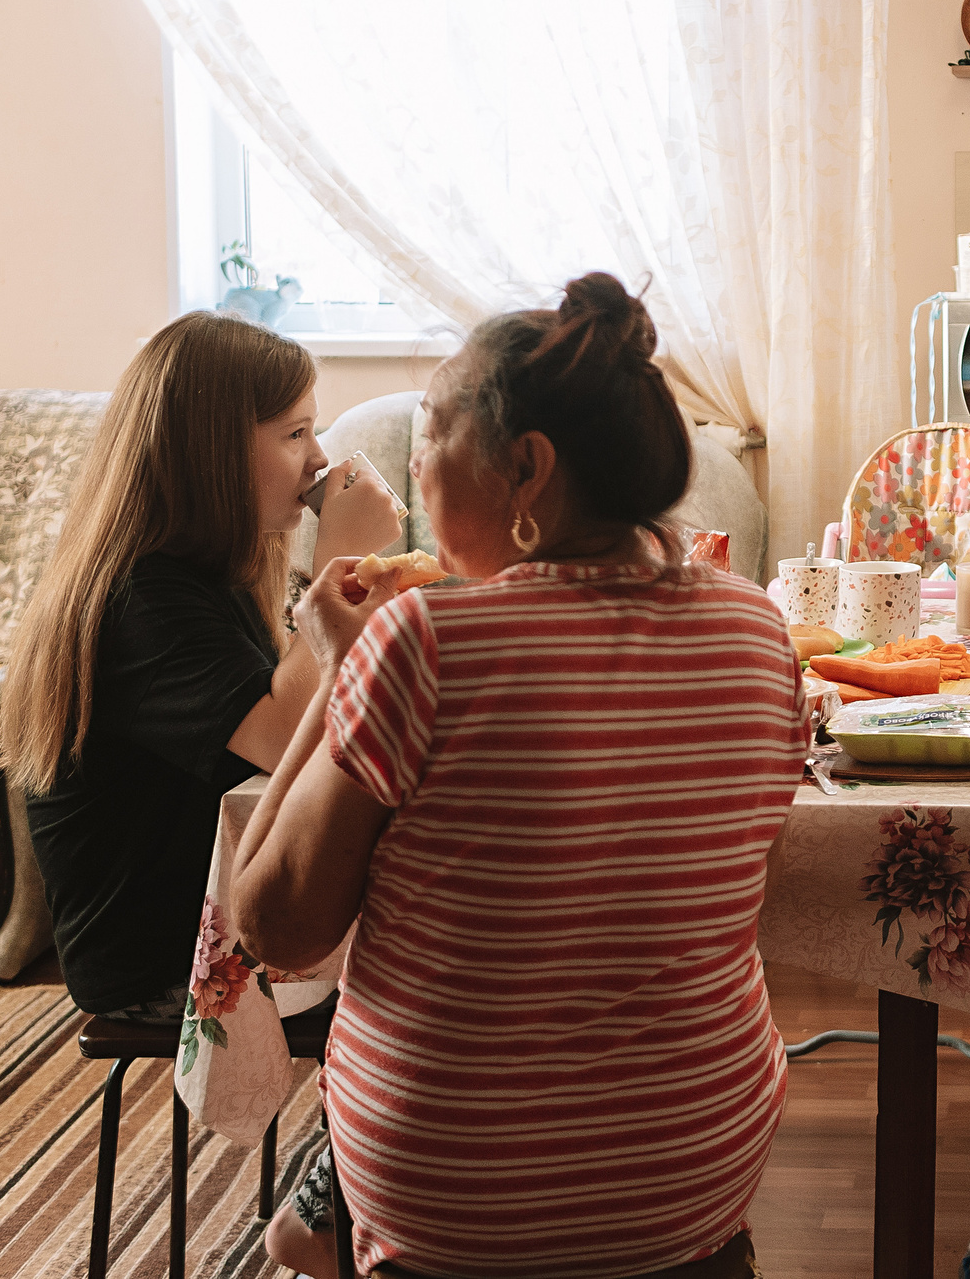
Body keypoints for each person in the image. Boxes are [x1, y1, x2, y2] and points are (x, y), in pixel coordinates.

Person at [231, 273, 807, 1279]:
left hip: (462, 1194)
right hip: (692, 1170)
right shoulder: (757, 627)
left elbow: (275, 929)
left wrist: (337, 667)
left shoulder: (424, 640)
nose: (415, 469)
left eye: (432, 434)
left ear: (527, 468)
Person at [2, 311, 405, 1027]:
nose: (318, 458)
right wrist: (339, 569)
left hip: (214, 917)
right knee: (442, 962)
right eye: (295, 433)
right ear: (211, 453)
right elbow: (290, 739)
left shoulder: (207, 578)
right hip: (165, 960)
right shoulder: (140, 601)